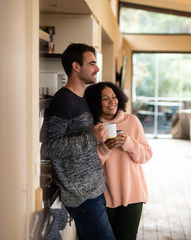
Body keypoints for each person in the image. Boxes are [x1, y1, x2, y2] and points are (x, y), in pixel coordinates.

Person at [40, 43, 115, 240]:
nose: (97, 68)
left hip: (93, 191)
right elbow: (49, 147)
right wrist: (91, 138)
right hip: (81, 196)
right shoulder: (63, 101)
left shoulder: (80, 98)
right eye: (92, 63)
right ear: (76, 66)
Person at [85, 82, 153, 240]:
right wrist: (104, 149)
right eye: (105, 98)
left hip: (133, 196)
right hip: (103, 198)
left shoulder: (132, 121)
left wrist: (129, 143)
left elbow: (147, 155)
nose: (112, 101)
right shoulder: (92, 128)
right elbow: (88, 166)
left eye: (114, 97)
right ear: (96, 102)